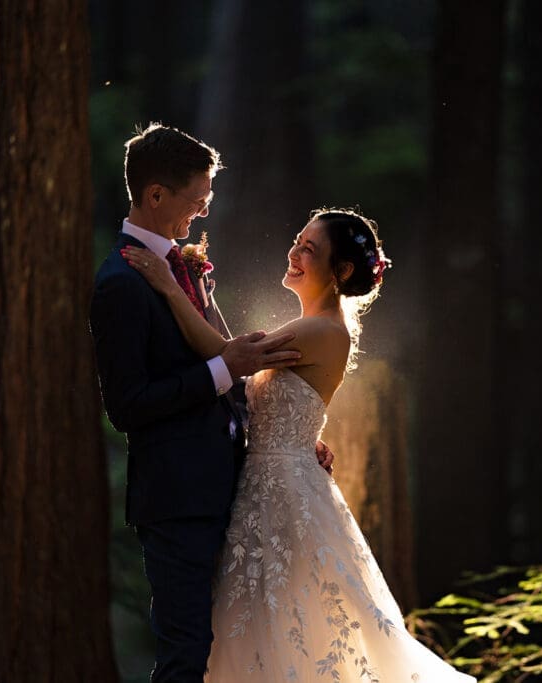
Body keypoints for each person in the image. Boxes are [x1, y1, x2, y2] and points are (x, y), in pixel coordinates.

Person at [123, 208, 475, 682]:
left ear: (340, 271)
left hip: (284, 496)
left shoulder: (321, 330)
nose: (294, 253)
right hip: (267, 485)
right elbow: (249, 381)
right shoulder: (313, 328)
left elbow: (224, 357)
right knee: (262, 628)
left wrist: (168, 287)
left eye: (309, 249)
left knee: (283, 626)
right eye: (297, 241)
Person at [89, 123, 333, 683]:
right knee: (187, 650)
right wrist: (224, 369)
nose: (203, 210)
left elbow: (228, 368)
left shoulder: (184, 266)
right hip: (178, 498)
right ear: (155, 195)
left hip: (234, 486)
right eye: (197, 198)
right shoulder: (120, 282)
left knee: (240, 646)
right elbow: (127, 406)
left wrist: (294, 438)